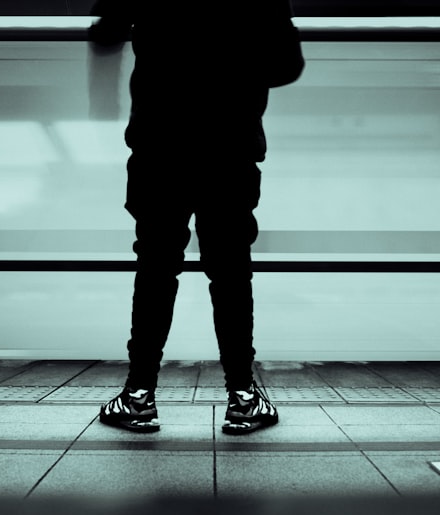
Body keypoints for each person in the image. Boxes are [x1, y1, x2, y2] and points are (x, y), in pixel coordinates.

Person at [89, 0, 304, 434]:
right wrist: (235, 64)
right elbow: (287, 64)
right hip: (229, 144)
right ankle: (243, 396)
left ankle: (138, 395)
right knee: (230, 271)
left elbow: (107, 31)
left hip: (159, 144)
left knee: (155, 266)